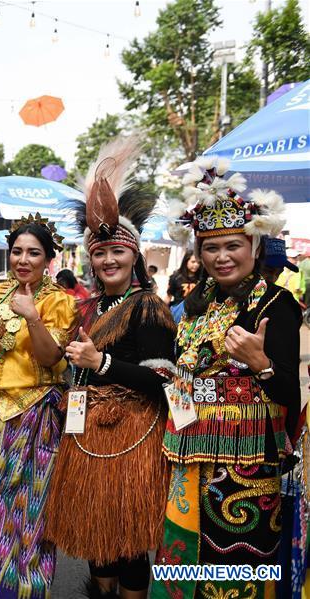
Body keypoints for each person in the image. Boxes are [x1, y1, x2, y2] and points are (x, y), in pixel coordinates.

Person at [151, 158, 301, 599]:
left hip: (247, 464)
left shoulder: (276, 305)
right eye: (211, 248)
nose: (222, 257)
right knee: (185, 563)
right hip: (188, 453)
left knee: (240, 564)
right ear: (198, 254)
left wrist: (262, 364)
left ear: (253, 246)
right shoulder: (197, 306)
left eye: (232, 245)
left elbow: (290, 392)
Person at [44, 138, 176, 599]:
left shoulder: (149, 308)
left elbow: (164, 384)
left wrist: (101, 362)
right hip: (88, 437)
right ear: (91, 261)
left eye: (117, 252)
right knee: (97, 542)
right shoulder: (91, 307)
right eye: (99, 254)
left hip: (134, 439)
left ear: (134, 256)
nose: (108, 260)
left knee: (129, 544)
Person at [0, 215, 76, 599]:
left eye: (33, 253)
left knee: (29, 504)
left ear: (48, 259)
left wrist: (33, 316)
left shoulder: (59, 300)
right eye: (17, 251)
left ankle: (26, 588)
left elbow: (51, 358)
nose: (23, 259)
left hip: (35, 411)